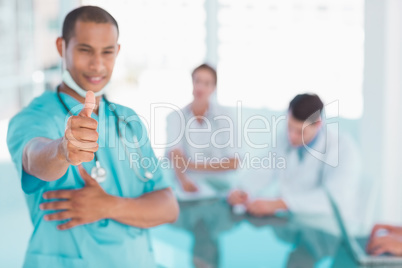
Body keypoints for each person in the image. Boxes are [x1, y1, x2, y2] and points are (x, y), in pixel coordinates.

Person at [7, 6, 179, 267]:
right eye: (85, 50)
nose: (97, 64)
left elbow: (168, 207)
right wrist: (63, 151)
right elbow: (34, 156)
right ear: (61, 46)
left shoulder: (128, 122)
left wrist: (108, 206)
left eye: (107, 52)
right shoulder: (34, 118)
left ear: (117, 52)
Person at [228, 93, 361, 218]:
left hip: (327, 225)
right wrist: (241, 191)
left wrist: (280, 204)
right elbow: (262, 171)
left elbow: (335, 198)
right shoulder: (284, 139)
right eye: (289, 127)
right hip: (290, 223)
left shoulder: (343, 148)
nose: (292, 136)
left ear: (318, 124)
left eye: (300, 132)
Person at [166, 64, 239, 193]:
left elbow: (234, 163)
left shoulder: (225, 117)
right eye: (197, 81)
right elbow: (175, 154)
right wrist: (184, 181)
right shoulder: (175, 117)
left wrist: (192, 165)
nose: (200, 87)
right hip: (187, 183)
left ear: (214, 88)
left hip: (220, 186)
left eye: (207, 83)